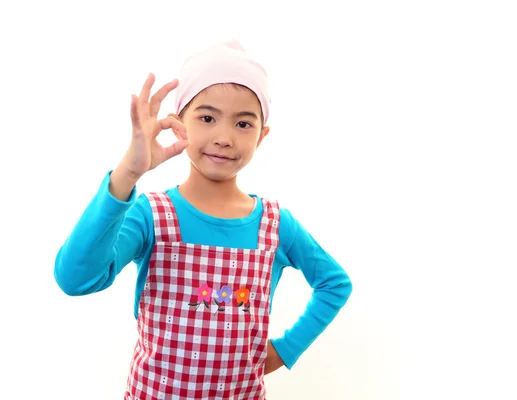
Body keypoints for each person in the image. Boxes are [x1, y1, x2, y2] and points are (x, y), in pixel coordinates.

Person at [54, 40, 353, 400]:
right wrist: (127, 175)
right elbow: (75, 279)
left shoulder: (275, 224)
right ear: (178, 124)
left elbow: (335, 284)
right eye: (207, 118)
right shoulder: (151, 215)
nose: (224, 138)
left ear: (262, 136)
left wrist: (285, 350)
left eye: (243, 123)